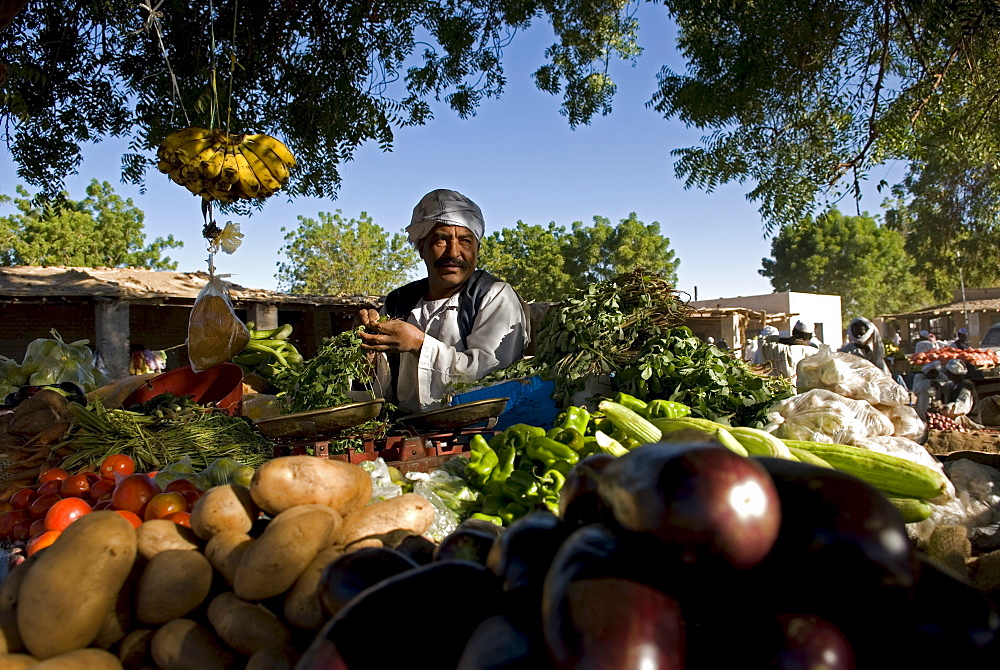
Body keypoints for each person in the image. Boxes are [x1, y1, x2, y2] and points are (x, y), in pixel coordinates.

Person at [358, 189, 531, 413]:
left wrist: (418, 344)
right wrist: (369, 349)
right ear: (421, 247)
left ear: (477, 249)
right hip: (406, 430)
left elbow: (490, 376)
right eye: (441, 239)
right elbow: (382, 389)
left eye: (465, 241)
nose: (454, 252)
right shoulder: (398, 301)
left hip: (477, 432)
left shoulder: (494, 295)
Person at [753, 320, 820, 386]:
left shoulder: (776, 349)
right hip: (802, 395)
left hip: (777, 392)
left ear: (793, 332)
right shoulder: (815, 353)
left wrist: (784, 340)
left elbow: (762, 340)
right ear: (810, 336)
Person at [914, 358, 980, 423]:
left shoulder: (966, 387)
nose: (946, 374)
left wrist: (942, 408)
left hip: (969, 421)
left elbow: (961, 408)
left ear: (953, 374)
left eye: (948, 372)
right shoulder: (953, 384)